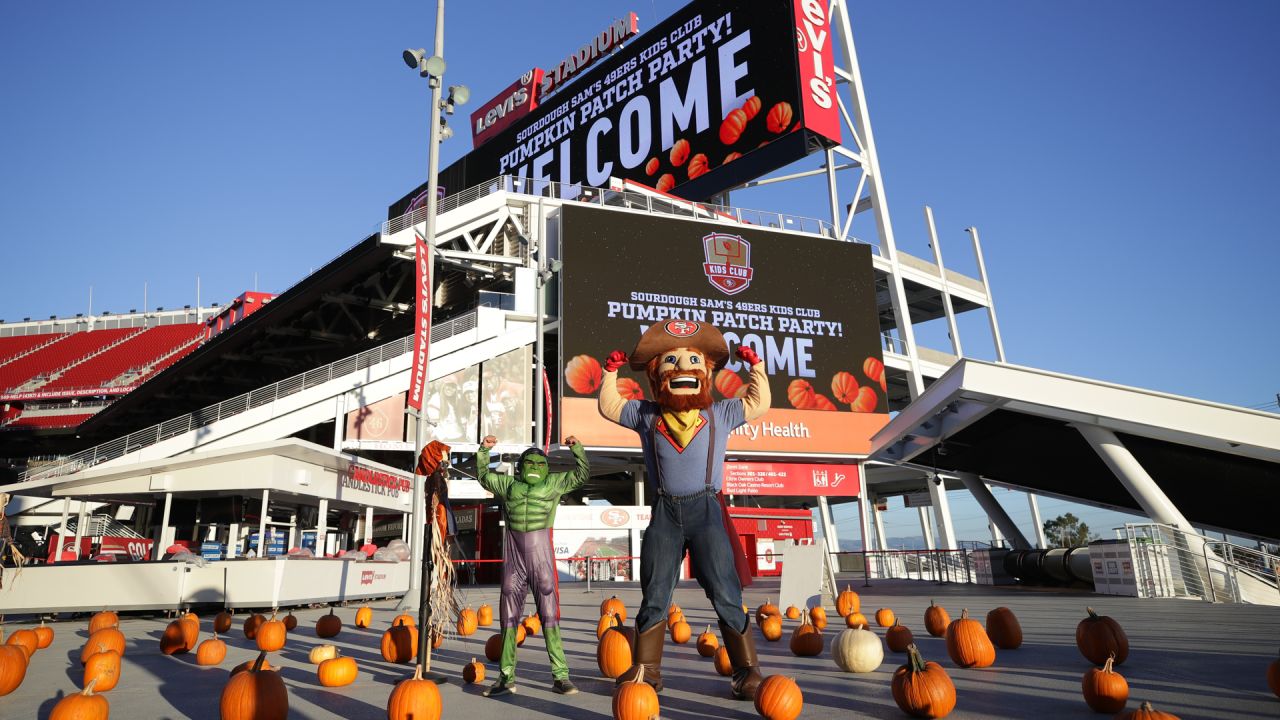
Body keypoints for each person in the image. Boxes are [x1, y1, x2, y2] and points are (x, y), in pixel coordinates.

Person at [597, 320, 770, 699]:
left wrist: (756, 368)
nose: (682, 369)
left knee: (724, 589)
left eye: (693, 360)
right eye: (671, 361)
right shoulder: (648, 415)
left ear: (706, 371)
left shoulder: (719, 414)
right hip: (665, 513)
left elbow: (758, 404)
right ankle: (648, 668)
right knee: (655, 589)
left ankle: (746, 670)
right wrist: (610, 373)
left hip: (706, 510)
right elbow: (611, 407)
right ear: (658, 374)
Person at [476, 434, 589, 697]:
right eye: (531, 463)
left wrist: (577, 449)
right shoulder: (508, 485)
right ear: (520, 466)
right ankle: (506, 677)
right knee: (508, 617)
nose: (535, 468)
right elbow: (483, 476)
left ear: (546, 467)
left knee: (549, 615)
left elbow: (582, 475)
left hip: (542, 558)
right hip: (514, 556)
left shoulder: (554, 483)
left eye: (540, 464)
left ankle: (561, 676)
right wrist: (484, 450)